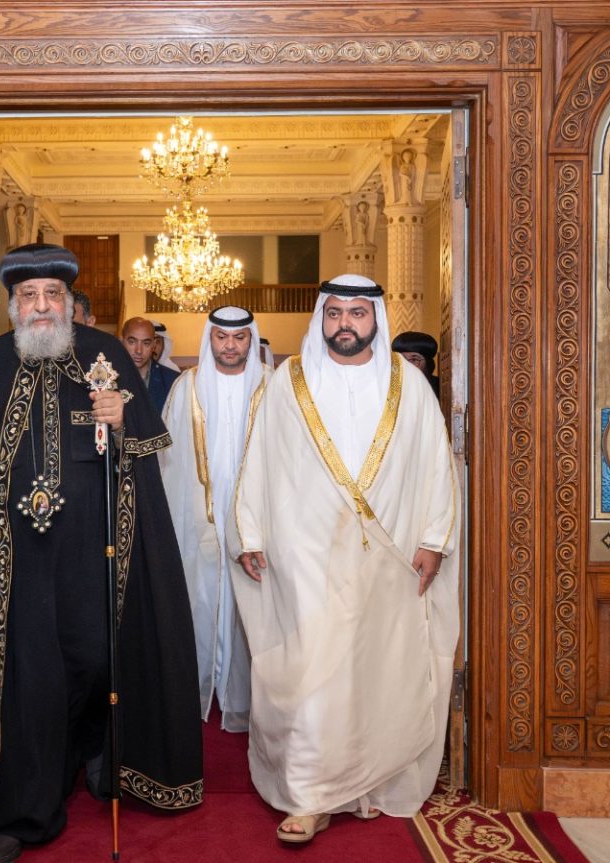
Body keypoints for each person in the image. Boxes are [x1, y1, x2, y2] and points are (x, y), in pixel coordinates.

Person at [0, 243, 203, 863]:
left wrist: (122, 418)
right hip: (17, 560)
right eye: (29, 295)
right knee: (27, 672)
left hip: (95, 549)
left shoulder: (106, 355)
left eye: (52, 295)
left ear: (69, 301)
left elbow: (142, 460)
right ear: (12, 305)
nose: (41, 306)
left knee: (95, 656)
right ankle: (19, 808)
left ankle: (100, 755)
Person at [230, 274, 459, 844]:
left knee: (374, 670)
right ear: (321, 317)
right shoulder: (289, 382)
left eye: (357, 313)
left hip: (390, 550)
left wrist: (434, 540)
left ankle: (366, 783)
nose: (345, 324)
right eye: (334, 313)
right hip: (304, 549)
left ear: (376, 318)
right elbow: (259, 459)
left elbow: (437, 463)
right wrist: (250, 534)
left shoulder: (410, 385)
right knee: (313, 669)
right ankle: (310, 794)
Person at [158, 306, 265, 734]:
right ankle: (197, 688)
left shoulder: (271, 385)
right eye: (221, 337)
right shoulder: (187, 386)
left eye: (239, 337)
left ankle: (243, 698)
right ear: (210, 339)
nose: (230, 346)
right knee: (199, 597)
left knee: (249, 604)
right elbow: (168, 459)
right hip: (198, 516)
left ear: (250, 340)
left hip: (254, 519)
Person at [121, 316, 179, 412]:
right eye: (132, 342)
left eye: (146, 343)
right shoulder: (109, 378)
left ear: (153, 345)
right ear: (122, 341)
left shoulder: (173, 381)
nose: (139, 350)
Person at [392, 330, 442, 399]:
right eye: (401, 359)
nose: (406, 365)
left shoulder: (441, 388)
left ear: (428, 363)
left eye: (413, 360)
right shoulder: (388, 387)